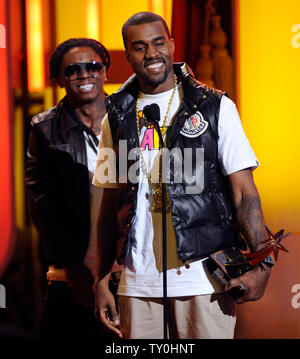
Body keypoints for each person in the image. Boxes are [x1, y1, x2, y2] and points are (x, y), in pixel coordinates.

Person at [92, 12, 272, 339]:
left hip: (203, 280)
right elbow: (109, 201)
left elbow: (244, 191)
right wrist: (102, 277)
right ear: (127, 53)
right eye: (140, 46)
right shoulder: (115, 115)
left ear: (173, 45)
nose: (151, 53)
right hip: (136, 284)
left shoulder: (215, 107)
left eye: (159, 42)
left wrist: (263, 264)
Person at [25, 38, 114, 337]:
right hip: (73, 269)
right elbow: (42, 203)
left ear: (105, 71)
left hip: (129, 266)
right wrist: (72, 264)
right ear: (60, 79)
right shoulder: (45, 129)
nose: (84, 74)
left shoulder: (130, 118)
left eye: (92, 67)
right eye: (73, 70)